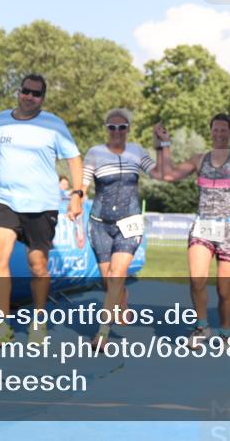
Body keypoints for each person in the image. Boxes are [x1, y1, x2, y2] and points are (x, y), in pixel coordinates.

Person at [0, 74, 84, 346]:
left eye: (36, 94)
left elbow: (74, 158)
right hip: (5, 199)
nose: (29, 97)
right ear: (19, 91)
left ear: (42, 98)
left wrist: (77, 194)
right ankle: (2, 324)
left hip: (41, 203)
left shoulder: (54, 125)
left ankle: (39, 318)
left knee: (38, 266)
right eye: (26, 91)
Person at [158, 113, 230, 347]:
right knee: (196, 281)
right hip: (203, 227)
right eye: (215, 130)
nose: (219, 134)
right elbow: (168, 175)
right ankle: (201, 327)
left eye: (223, 130)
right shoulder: (200, 160)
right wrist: (165, 144)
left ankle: (226, 331)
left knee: (224, 290)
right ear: (210, 132)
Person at [81, 108, 167, 347]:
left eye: (122, 127)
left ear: (128, 129)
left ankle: (103, 333)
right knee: (108, 281)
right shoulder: (95, 153)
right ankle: (122, 299)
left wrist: (162, 145)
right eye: (112, 127)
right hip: (99, 224)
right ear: (106, 129)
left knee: (116, 275)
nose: (117, 132)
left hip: (129, 223)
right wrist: (76, 200)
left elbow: (160, 174)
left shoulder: (137, 152)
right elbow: (83, 184)